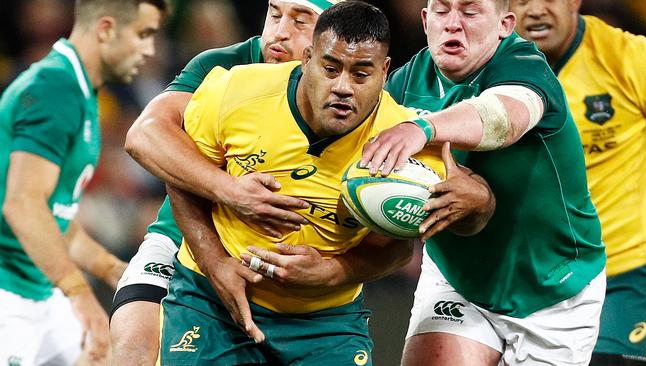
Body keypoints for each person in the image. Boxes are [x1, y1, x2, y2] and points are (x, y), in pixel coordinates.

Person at [159, 2, 492, 364]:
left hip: (325, 323)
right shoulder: (236, 90)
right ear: (306, 59)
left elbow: (397, 248)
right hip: (211, 301)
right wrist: (215, 263)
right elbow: (181, 177)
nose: (343, 87)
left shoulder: (405, 145)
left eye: (361, 74)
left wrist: (332, 272)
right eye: (330, 68)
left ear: (384, 71)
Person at [360, 0, 608, 364]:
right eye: (442, 11)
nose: (453, 24)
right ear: (426, 20)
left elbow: (502, 118)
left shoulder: (525, 67)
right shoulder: (405, 83)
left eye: (470, 12)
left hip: (552, 289)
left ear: (505, 24)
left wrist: (423, 127)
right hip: (459, 278)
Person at [111, 1, 345, 364]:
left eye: (301, 20)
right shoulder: (222, 65)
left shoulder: (352, 93)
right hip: (182, 241)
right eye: (274, 13)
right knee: (134, 345)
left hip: (288, 272)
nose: (280, 31)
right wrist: (230, 190)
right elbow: (144, 135)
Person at [0, 0, 168, 365]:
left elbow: (51, 214)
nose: (150, 49)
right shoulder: (54, 88)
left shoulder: (78, 90)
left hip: (37, 291)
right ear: (106, 28)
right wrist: (79, 294)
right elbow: (22, 204)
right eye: (143, 34)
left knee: (116, 355)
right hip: (9, 295)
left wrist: (111, 268)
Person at [510, 1, 646, 364]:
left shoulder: (626, 57)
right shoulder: (489, 71)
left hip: (625, 271)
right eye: (522, 0)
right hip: (532, 280)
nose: (537, 10)